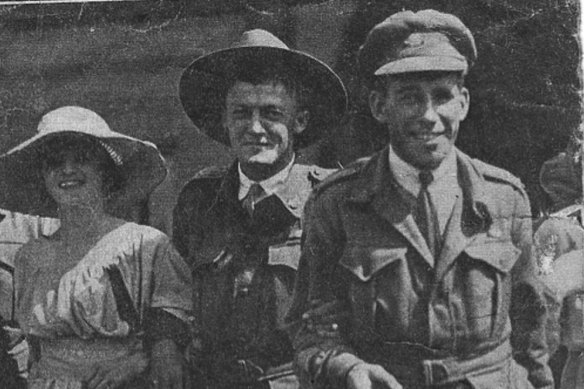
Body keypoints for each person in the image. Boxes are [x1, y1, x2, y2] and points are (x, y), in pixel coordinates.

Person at [287, 9, 554, 389]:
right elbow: (312, 330)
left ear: (462, 102)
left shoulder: (504, 198)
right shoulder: (336, 205)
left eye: (442, 97)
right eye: (410, 98)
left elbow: (532, 331)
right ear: (381, 106)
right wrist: (348, 368)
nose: (429, 116)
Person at [173, 29, 347, 388]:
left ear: (298, 121)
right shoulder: (199, 201)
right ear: (224, 120)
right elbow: (176, 298)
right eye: (241, 113)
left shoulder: (331, 199)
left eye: (271, 113)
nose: (255, 128)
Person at [0, 106, 193, 389]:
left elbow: (174, 329)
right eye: (55, 162)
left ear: (106, 171)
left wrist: (136, 362)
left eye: (81, 159)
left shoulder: (144, 245)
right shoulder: (31, 256)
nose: (67, 170)